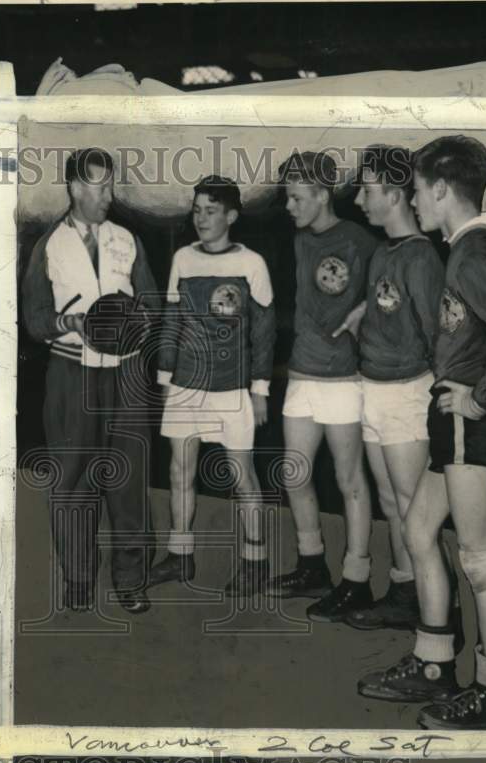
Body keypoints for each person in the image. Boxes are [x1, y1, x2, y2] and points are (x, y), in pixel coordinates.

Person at [358, 135, 486, 731]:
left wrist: (479, 402)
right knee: (416, 527)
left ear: (438, 190)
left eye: (416, 190)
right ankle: (434, 664)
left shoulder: (475, 254)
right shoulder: (465, 247)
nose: (413, 200)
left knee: (480, 561)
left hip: (468, 426)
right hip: (449, 422)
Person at [22, 148, 157, 614]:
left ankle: (130, 579)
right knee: (73, 481)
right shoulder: (48, 246)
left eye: (111, 186)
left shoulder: (128, 239)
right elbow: (33, 318)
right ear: (76, 188)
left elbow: (153, 301)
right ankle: (79, 577)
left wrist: (137, 317)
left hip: (126, 375)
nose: (108, 196)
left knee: (130, 478)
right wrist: (68, 322)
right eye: (99, 187)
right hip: (70, 374)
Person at [148, 175, 276, 597]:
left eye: (211, 211)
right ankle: (180, 556)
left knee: (242, 476)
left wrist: (259, 389)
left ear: (231, 216)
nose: (201, 218)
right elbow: (172, 320)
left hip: (231, 388)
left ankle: (254, 563)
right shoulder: (183, 258)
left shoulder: (251, 263)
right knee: (179, 470)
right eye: (197, 209)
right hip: (186, 385)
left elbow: (264, 331)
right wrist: (165, 377)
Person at [265, 151, 378, 622]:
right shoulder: (298, 239)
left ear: (322, 194)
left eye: (296, 197)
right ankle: (312, 564)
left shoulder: (359, 239)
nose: (289, 206)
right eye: (287, 197)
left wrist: (366, 309)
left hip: (344, 378)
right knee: (295, 473)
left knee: (349, 480)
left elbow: (395, 286)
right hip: (303, 375)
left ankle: (357, 579)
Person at [344, 146, 444, 633]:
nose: (360, 199)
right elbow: (388, 311)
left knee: (412, 506)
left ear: (397, 194)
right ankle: (404, 590)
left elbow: (437, 333)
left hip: (408, 394)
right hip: (373, 388)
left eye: (367, 189)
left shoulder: (423, 258)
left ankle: (438, 619)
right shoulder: (383, 251)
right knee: (389, 500)